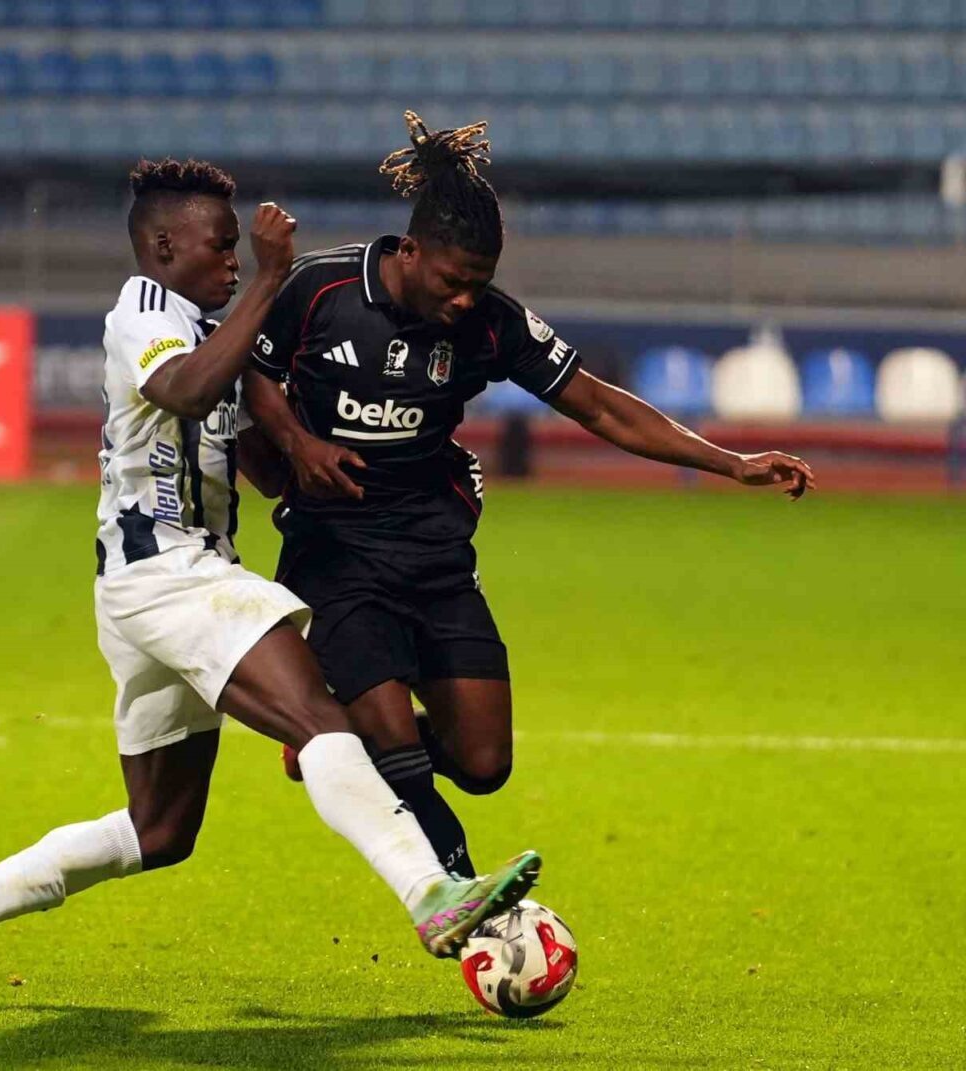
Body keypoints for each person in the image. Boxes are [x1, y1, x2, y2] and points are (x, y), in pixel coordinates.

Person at [0, 158, 540, 1001]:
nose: (233, 263)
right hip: (170, 575)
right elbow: (186, 392)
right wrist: (274, 280)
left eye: (241, 251)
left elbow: (252, 456)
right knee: (316, 716)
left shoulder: (203, 328)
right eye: (220, 247)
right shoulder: (147, 309)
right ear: (163, 245)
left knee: (160, 830)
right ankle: (432, 893)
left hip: (154, 588)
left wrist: (326, 461)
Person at [244, 111, 817, 879]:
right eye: (453, 282)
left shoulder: (490, 320)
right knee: (408, 764)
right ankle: (471, 907)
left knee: (483, 762)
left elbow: (601, 404)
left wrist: (730, 463)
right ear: (410, 251)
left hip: (435, 551)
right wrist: (298, 444)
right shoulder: (322, 288)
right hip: (335, 550)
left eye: (479, 285)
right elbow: (254, 374)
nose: (464, 301)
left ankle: (347, 737)